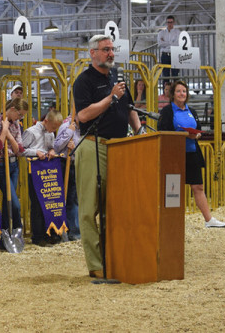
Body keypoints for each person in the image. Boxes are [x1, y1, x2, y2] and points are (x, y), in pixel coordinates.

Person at [73, 34, 142, 278]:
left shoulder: (117, 76)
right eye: (105, 50)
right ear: (92, 53)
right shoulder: (84, 81)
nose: (111, 53)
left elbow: (130, 109)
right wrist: (110, 97)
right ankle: (96, 265)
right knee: (90, 209)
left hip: (120, 147)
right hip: (94, 146)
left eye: (112, 49)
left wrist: (140, 133)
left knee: (115, 207)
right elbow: (83, 115)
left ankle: (115, 257)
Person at [158, 81, 225, 228]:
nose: (182, 94)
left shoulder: (192, 111)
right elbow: (162, 132)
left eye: (184, 91)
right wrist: (182, 135)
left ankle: (209, 220)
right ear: (172, 94)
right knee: (173, 188)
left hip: (192, 153)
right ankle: (171, 221)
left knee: (198, 187)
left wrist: (195, 136)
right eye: (178, 91)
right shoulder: (167, 111)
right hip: (174, 155)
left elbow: (199, 130)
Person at [0, 97, 28, 246]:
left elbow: (20, 150)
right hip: (0, 165)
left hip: (13, 165)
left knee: (8, 202)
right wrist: (4, 129)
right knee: (14, 203)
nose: (20, 118)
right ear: (12, 110)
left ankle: (6, 238)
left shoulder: (16, 124)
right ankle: (17, 230)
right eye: (19, 114)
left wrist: (8, 133)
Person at [21, 109, 64, 247]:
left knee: (50, 202)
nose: (54, 130)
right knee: (37, 204)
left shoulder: (50, 133)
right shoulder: (31, 131)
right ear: (46, 121)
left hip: (49, 171)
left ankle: (51, 233)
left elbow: (51, 148)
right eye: (53, 127)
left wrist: (52, 151)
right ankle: (38, 236)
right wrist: (36, 152)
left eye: (56, 128)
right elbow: (21, 150)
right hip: (34, 170)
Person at [53, 114, 80, 241]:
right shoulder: (66, 126)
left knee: (74, 199)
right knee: (64, 198)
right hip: (64, 164)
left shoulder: (85, 128)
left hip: (78, 164)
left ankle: (74, 230)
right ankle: (65, 229)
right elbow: (57, 146)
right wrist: (69, 132)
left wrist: (76, 149)